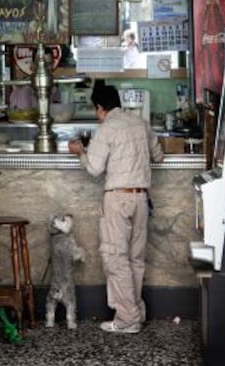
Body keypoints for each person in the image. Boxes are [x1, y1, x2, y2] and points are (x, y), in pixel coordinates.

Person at [68, 84, 164, 334]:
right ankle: (136, 312)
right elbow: (159, 155)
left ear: (100, 108)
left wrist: (80, 152)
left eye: (96, 109)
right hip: (141, 199)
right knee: (135, 259)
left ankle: (128, 319)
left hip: (118, 199)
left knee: (115, 258)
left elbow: (94, 169)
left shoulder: (107, 128)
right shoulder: (139, 123)